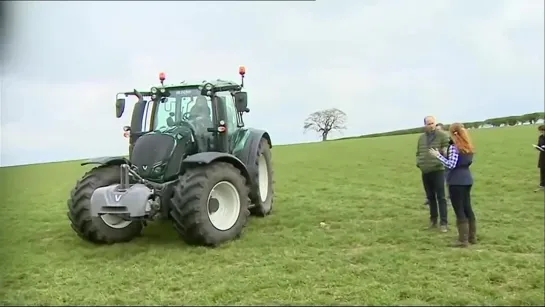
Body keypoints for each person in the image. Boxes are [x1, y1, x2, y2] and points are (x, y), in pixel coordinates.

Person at [429, 123, 476, 247]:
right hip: (467, 179)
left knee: (459, 210)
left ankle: (463, 240)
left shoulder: (455, 147)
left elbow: (451, 165)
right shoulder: (468, 146)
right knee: (468, 208)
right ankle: (472, 237)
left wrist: (438, 156)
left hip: (456, 181)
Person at [416, 116, 450, 232]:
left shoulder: (443, 136)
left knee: (441, 197)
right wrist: (419, 163)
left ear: (435, 123)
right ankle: (433, 220)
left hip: (438, 170)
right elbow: (418, 152)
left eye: (432, 123)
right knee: (430, 197)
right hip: (425, 171)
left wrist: (441, 157)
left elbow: (447, 151)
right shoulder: (421, 138)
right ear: (425, 124)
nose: (431, 125)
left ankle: (444, 223)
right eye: (428, 123)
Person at [423, 122, 445, 206]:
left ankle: (446, 198)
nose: (437, 131)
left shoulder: (447, 139)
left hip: (444, 164)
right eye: (436, 130)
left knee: (444, 184)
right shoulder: (435, 138)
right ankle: (430, 198)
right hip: (435, 164)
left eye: (439, 129)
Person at [535, 125, 545, 191]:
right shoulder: (540, 137)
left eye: (542, 131)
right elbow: (539, 145)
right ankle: (542, 185)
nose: (541, 132)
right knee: (542, 170)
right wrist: (537, 147)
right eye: (540, 131)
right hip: (542, 155)